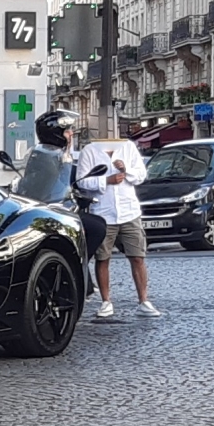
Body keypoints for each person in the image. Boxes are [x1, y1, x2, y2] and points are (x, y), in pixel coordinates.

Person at [72, 131, 156, 318]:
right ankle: (106, 301)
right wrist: (106, 181)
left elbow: (142, 174)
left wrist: (126, 171)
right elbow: (82, 181)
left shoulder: (128, 147)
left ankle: (144, 300)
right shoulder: (90, 150)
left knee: (137, 256)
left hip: (129, 211)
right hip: (103, 212)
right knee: (103, 258)